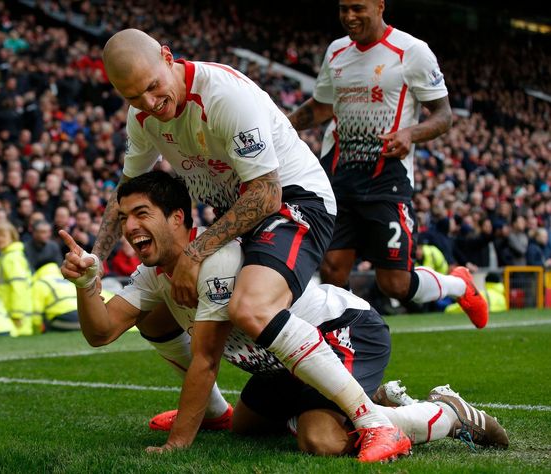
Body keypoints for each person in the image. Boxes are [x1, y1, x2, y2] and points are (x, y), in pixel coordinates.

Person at [85, 29, 408, 462]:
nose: (148, 103)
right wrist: (95, 258)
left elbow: (266, 195)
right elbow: (127, 190)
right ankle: (219, 412)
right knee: (159, 314)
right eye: (132, 96)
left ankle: (374, 421)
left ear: (167, 56)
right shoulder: (141, 118)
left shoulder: (224, 95)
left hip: (295, 201)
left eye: (152, 87)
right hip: (241, 216)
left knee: (250, 307)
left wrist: (197, 251)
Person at [61, 172, 507, 459]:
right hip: (281, 364)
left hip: (342, 330)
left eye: (142, 213)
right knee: (244, 426)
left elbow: (206, 360)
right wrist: (86, 283)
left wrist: (178, 441)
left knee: (320, 440)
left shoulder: (216, 259)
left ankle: (447, 413)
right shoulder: (151, 274)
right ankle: (365, 401)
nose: (130, 227)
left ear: (178, 218)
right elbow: (100, 333)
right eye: (123, 219)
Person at [287, 0, 488, 328]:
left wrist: (411, 133)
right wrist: (283, 123)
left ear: (379, 6)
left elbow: (443, 114)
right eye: (342, 9)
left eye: (357, 8)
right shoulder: (337, 52)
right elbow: (323, 106)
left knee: (394, 283)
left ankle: (459, 285)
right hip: (337, 178)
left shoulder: (412, 51)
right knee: (333, 269)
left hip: (386, 180)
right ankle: (348, 350)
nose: (349, 17)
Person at [0, 221, 33, 336]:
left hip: (13, 318)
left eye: (3, 236)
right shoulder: (5, 257)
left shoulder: (11, 258)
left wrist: (17, 315)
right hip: (6, 314)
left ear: (12, 237)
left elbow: (19, 288)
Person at [31, 260, 79, 332]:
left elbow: (36, 311)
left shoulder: (40, 283)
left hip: (66, 319)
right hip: (85, 318)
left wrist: (37, 329)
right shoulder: (67, 280)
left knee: (46, 324)